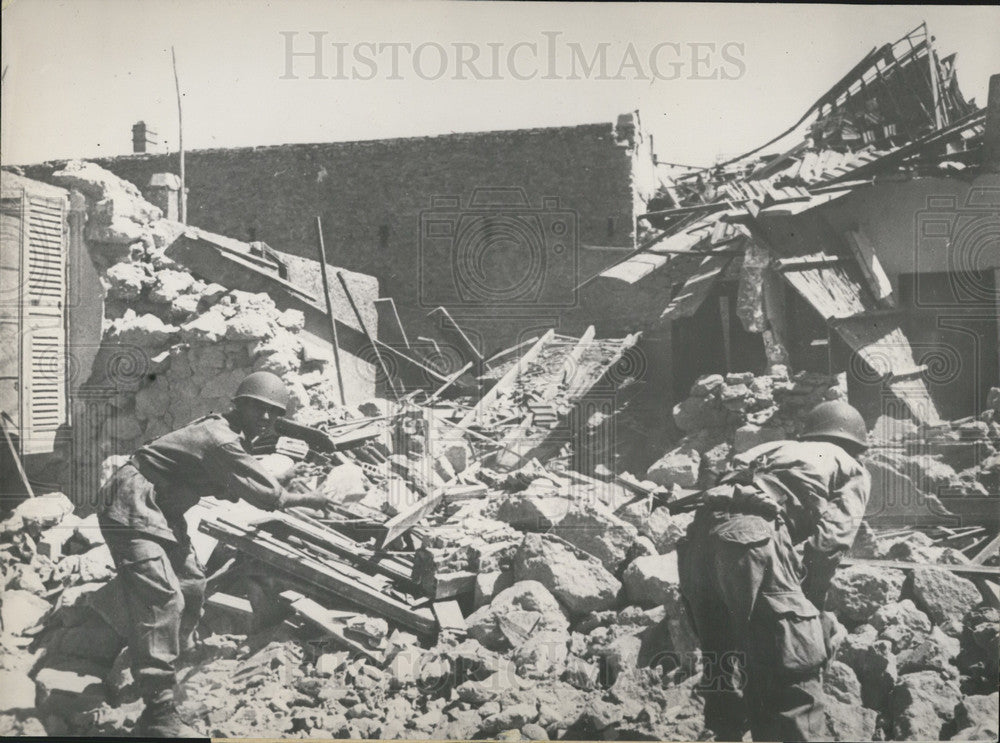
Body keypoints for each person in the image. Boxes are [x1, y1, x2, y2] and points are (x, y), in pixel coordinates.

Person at [97, 371, 334, 737]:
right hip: (131, 506)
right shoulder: (221, 438)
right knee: (163, 599)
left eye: (274, 413)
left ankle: (175, 656)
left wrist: (281, 478)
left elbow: (232, 480)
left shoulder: (230, 434)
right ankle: (158, 712)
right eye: (258, 408)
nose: (266, 418)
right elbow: (267, 498)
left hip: (162, 510)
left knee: (192, 583)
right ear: (239, 405)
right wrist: (309, 498)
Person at [677, 400, 872, 742]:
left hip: (698, 539)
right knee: (792, 664)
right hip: (751, 537)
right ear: (855, 444)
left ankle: (726, 734)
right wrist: (810, 607)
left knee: (721, 661)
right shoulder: (851, 466)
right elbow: (829, 543)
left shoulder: (771, 447)